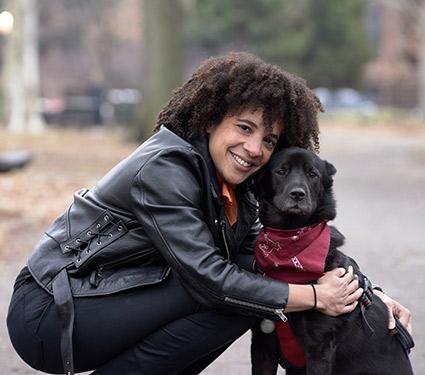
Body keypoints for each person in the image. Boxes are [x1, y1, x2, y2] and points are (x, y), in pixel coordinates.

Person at [6, 52, 411, 375]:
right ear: (212, 119)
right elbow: (209, 278)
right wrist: (315, 297)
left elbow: (276, 253)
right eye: (244, 128)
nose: (255, 149)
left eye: (268, 139)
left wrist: (360, 289)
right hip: (52, 311)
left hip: (104, 299)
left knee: (250, 285)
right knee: (237, 296)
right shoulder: (165, 168)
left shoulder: (233, 183)